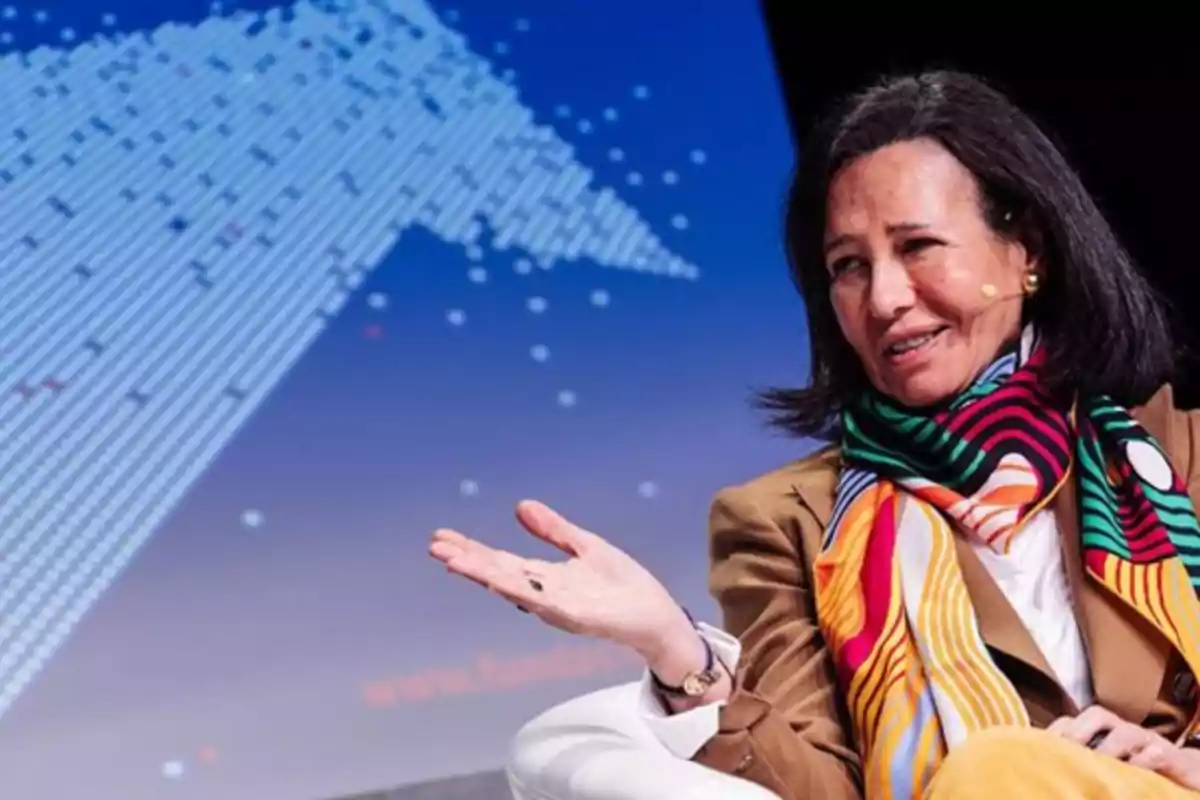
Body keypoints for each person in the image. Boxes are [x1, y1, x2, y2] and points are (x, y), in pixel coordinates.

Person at [428, 69, 1200, 800]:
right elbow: (818, 791)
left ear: (1025, 249)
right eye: (848, 266)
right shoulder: (787, 522)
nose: (887, 297)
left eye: (918, 246)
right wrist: (674, 651)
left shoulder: (1179, 455)